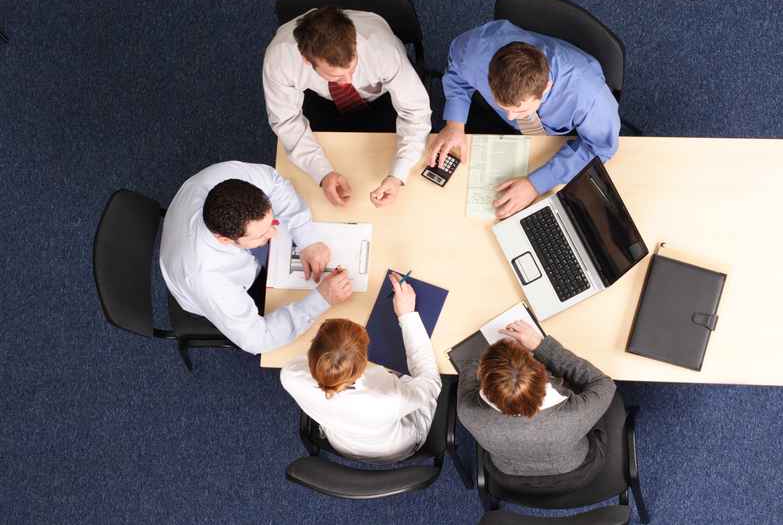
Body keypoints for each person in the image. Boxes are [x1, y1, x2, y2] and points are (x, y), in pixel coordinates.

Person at [431, 21, 621, 219]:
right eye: (504, 107)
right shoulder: (474, 52)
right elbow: (456, 73)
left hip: (561, 133)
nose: (511, 117)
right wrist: (454, 123)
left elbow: (601, 147)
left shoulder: (588, 95)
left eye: (521, 109)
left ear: (546, 87)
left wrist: (536, 184)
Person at [160, 161, 353, 355]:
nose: (274, 233)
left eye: (271, 222)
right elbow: (257, 339)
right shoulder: (210, 281)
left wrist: (307, 238)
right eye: (262, 235)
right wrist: (321, 299)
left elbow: (275, 184)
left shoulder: (224, 180)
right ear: (225, 239)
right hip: (203, 292)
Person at [263, 7, 432, 208]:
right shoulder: (280, 60)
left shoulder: (383, 50)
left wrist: (398, 174)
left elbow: (415, 112)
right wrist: (323, 173)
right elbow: (286, 121)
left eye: (352, 69)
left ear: (355, 43)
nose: (348, 81)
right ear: (306, 60)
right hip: (320, 98)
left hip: (380, 98)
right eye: (336, 76)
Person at [280, 273, 441, 463]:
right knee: (414, 380)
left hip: (342, 444)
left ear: (313, 345)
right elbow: (431, 383)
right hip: (395, 448)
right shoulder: (389, 399)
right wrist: (407, 316)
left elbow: (315, 363)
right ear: (364, 363)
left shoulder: (290, 376)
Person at [449, 319, 615, 484]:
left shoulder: (467, 410)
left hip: (509, 475)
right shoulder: (574, 413)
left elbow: (469, 368)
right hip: (573, 471)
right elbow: (604, 383)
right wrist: (539, 346)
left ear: (482, 376)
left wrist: (494, 357)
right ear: (544, 373)